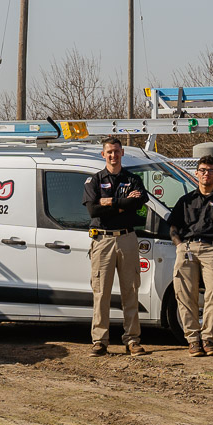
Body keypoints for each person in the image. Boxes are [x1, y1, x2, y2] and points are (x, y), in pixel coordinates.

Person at [169, 155, 213, 357]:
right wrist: (179, 246)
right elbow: (173, 226)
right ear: (196, 173)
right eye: (202, 170)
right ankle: (193, 340)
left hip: (212, 250)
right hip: (187, 249)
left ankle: (209, 338)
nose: (206, 174)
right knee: (185, 295)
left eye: (210, 170)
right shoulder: (186, 200)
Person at [83, 135, 148, 356]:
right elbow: (93, 211)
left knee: (130, 290)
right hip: (102, 241)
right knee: (101, 292)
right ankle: (99, 341)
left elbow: (138, 202)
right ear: (103, 154)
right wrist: (122, 204)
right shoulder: (93, 181)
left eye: (117, 151)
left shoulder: (133, 179)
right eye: (109, 152)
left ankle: (132, 340)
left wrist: (108, 201)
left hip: (127, 239)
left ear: (122, 153)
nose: (113, 155)